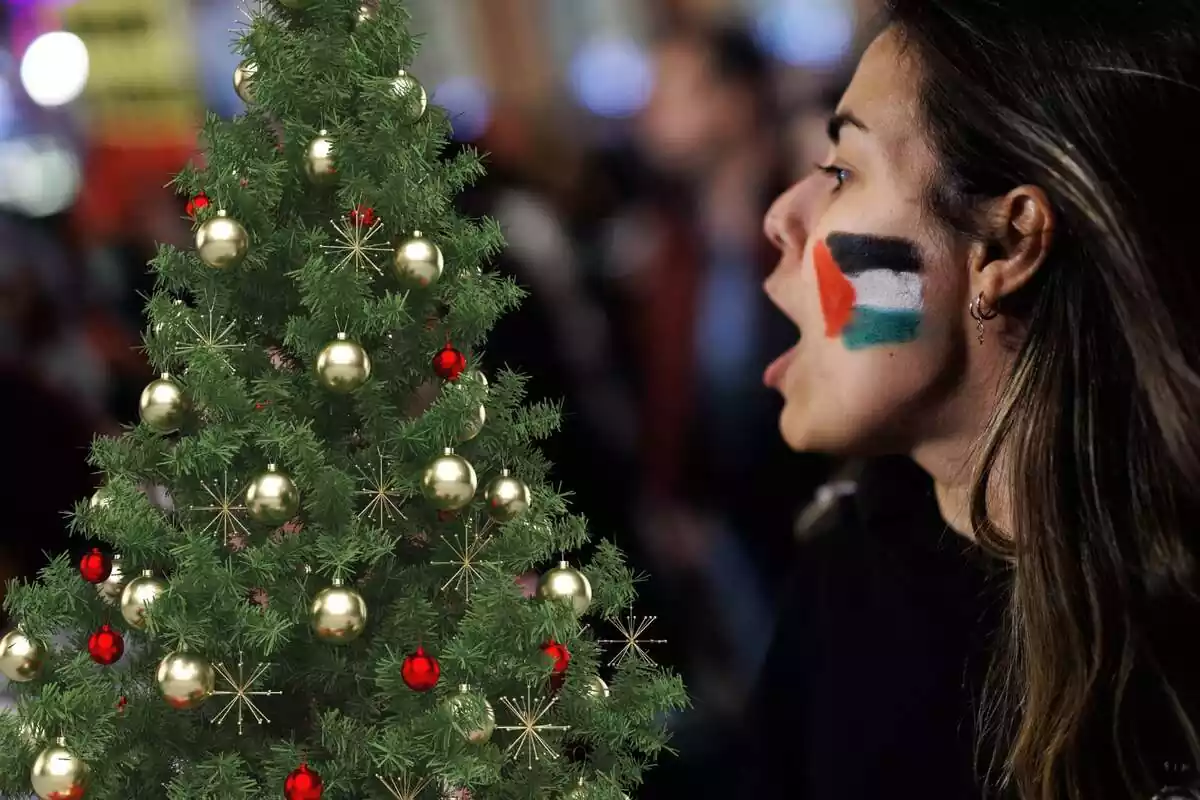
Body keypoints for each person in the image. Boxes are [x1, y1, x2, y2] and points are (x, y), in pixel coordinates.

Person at [746, 1, 1200, 799]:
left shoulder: (1177, 627)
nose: (783, 217)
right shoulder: (848, 575)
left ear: (1007, 243)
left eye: (843, 172)